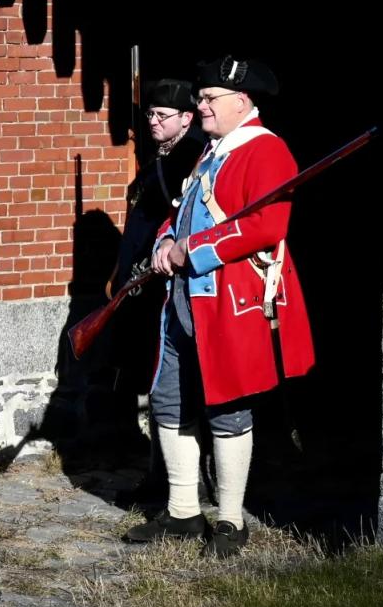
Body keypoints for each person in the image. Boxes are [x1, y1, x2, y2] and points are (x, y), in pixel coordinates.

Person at [124, 57, 315, 558]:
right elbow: (183, 211)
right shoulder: (211, 152)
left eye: (210, 99)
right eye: (202, 98)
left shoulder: (266, 151)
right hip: (184, 298)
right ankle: (184, 511)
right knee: (169, 400)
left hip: (231, 300)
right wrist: (168, 243)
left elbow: (266, 228)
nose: (201, 106)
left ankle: (230, 521)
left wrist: (191, 249)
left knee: (228, 409)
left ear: (243, 102)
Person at [104, 80, 207, 506]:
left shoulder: (192, 158)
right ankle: (157, 474)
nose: (152, 121)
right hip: (138, 285)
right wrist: (118, 270)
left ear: (187, 118)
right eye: (150, 115)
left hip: (165, 286)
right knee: (151, 381)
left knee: (173, 385)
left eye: (162, 115)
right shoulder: (160, 158)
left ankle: (180, 482)